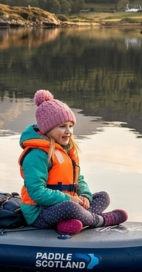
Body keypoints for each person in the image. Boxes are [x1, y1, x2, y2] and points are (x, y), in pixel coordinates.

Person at [18, 90, 127, 234]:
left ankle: (73, 223)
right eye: (62, 126)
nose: (68, 131)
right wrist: (70, 199)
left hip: (69, 204)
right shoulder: (37, 155)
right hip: (40, 213)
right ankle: (100, 220)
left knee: (103, 196)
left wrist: (85, 196)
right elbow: (37, 193)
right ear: (47, 129)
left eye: (70, 126)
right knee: (70, 208)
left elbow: (78, 179)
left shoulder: (66, 149)